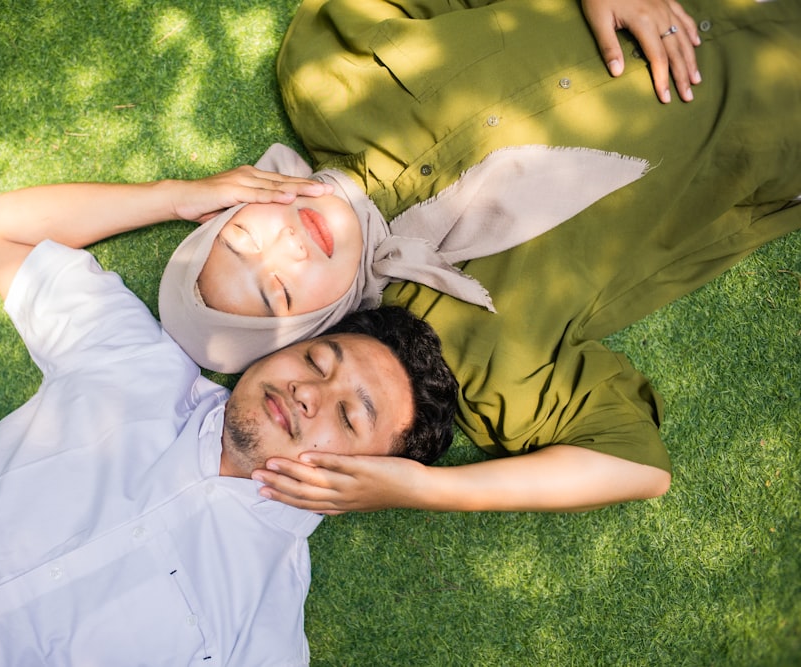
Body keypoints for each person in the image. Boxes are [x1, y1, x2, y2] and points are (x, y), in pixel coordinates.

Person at [0, 174, 458, 667]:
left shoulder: (263, 633)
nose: (311, 391)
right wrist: (181, 195)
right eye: (317, 358)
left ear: (367, 481)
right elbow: (2, 224)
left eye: (347, 413)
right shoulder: (135, 365)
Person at [241, 0, 801, 513]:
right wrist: (421, 489)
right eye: (348, 414)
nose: (309, 394)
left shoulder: (331, 77)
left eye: (313, 363)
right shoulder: (502, 378)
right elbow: (636, 463)